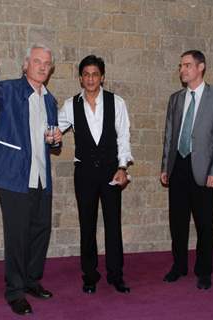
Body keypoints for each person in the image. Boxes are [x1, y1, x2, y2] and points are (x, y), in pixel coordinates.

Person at [0, 38, 62, 316]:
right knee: (17, 236)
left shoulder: (50, 100)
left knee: (40, 232)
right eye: (37, 61)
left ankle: (31, 281)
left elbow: (50, 141)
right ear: (26, 65)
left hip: (41, 178)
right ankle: (14, 291)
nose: (42, 67)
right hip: (14, 177)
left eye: (47, 64)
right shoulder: (10, 89)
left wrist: (56, 140)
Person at [59, 55, 133, 294]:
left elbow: (123, 137)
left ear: (102, 77)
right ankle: (89, 275)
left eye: (95, 74)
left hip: (112, 172)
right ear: (81, 78)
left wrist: (122, 167)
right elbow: (54, 131)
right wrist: (49, 136)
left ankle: (116, 275)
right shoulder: (70, 105)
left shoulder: (117, 102)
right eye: (86, 74)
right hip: (84, 173)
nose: (91, 78)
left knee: (113, 225)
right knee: (87, 225)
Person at [160, 50, 213, 290]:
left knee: (204, 223)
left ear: (201, 67)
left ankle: (204, 271)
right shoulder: (176, 99)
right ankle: (179, 266)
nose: (182, 70)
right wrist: (165, 167)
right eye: (181, 66)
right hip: (178, 166)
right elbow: (169, 136)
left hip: (204, 170)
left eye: (187, 65)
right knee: (177, 222)